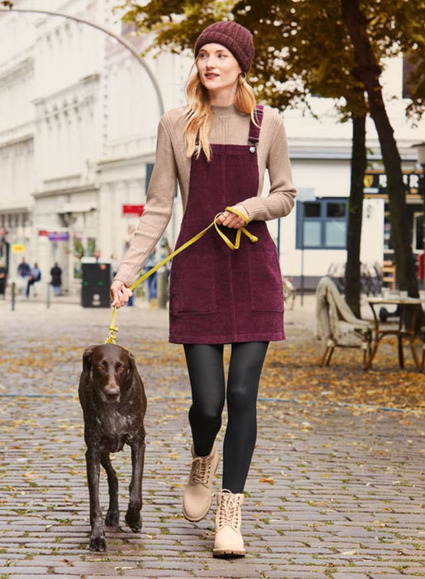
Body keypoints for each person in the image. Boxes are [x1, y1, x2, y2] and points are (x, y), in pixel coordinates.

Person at [109, 21, 296, 559]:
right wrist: (126, 272)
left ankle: (229, 513)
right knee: (210, 404)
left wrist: (250, 208)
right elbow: (158, 207)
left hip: (253, 271)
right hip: (197, 271)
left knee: (243, 396)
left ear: (241, 64)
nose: (210, 62)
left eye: (221, 54)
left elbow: (284, 193)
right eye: (204, 54)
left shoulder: (268, 125)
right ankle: (200, 458)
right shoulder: (175, 124)